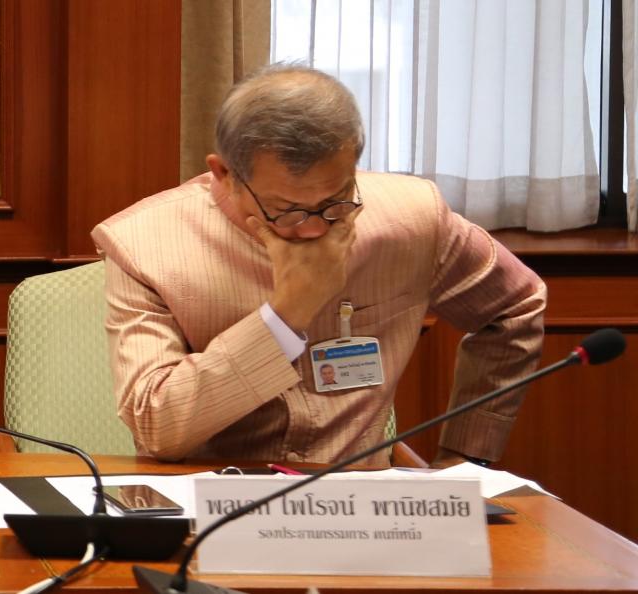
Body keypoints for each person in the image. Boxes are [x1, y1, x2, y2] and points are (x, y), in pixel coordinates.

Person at [92, 64, 546, 468]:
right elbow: (158, 426)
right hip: (211, 506)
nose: (313, 230)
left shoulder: (412, 217)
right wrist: (285, 315)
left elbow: (516, 306)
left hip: (361, 505)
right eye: (285, 209)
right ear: (225, 174)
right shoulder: (142, 245)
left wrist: (465, 454)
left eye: (335, 202)